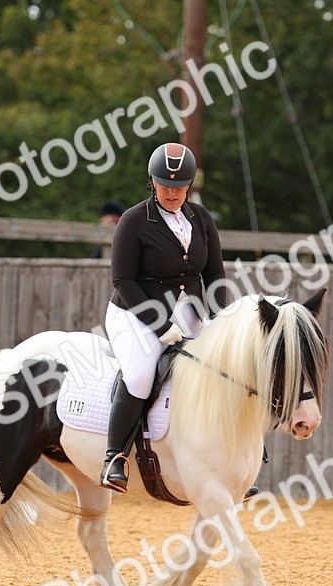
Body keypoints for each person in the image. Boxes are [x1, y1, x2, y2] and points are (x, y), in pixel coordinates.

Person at [100, 143, 227, 493]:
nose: (172, 193)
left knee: (221, 370)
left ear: (189, 186)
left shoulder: (201, 219)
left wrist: (220, 319)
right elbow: (123, 280)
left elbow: (214, 273)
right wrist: (160, 326)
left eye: (179, 186)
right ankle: (114, 458)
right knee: (140, 376)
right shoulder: (134, 221)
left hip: (188, 310)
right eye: (165, 185)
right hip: (135, 311)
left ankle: (228, 460)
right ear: (152, 182)